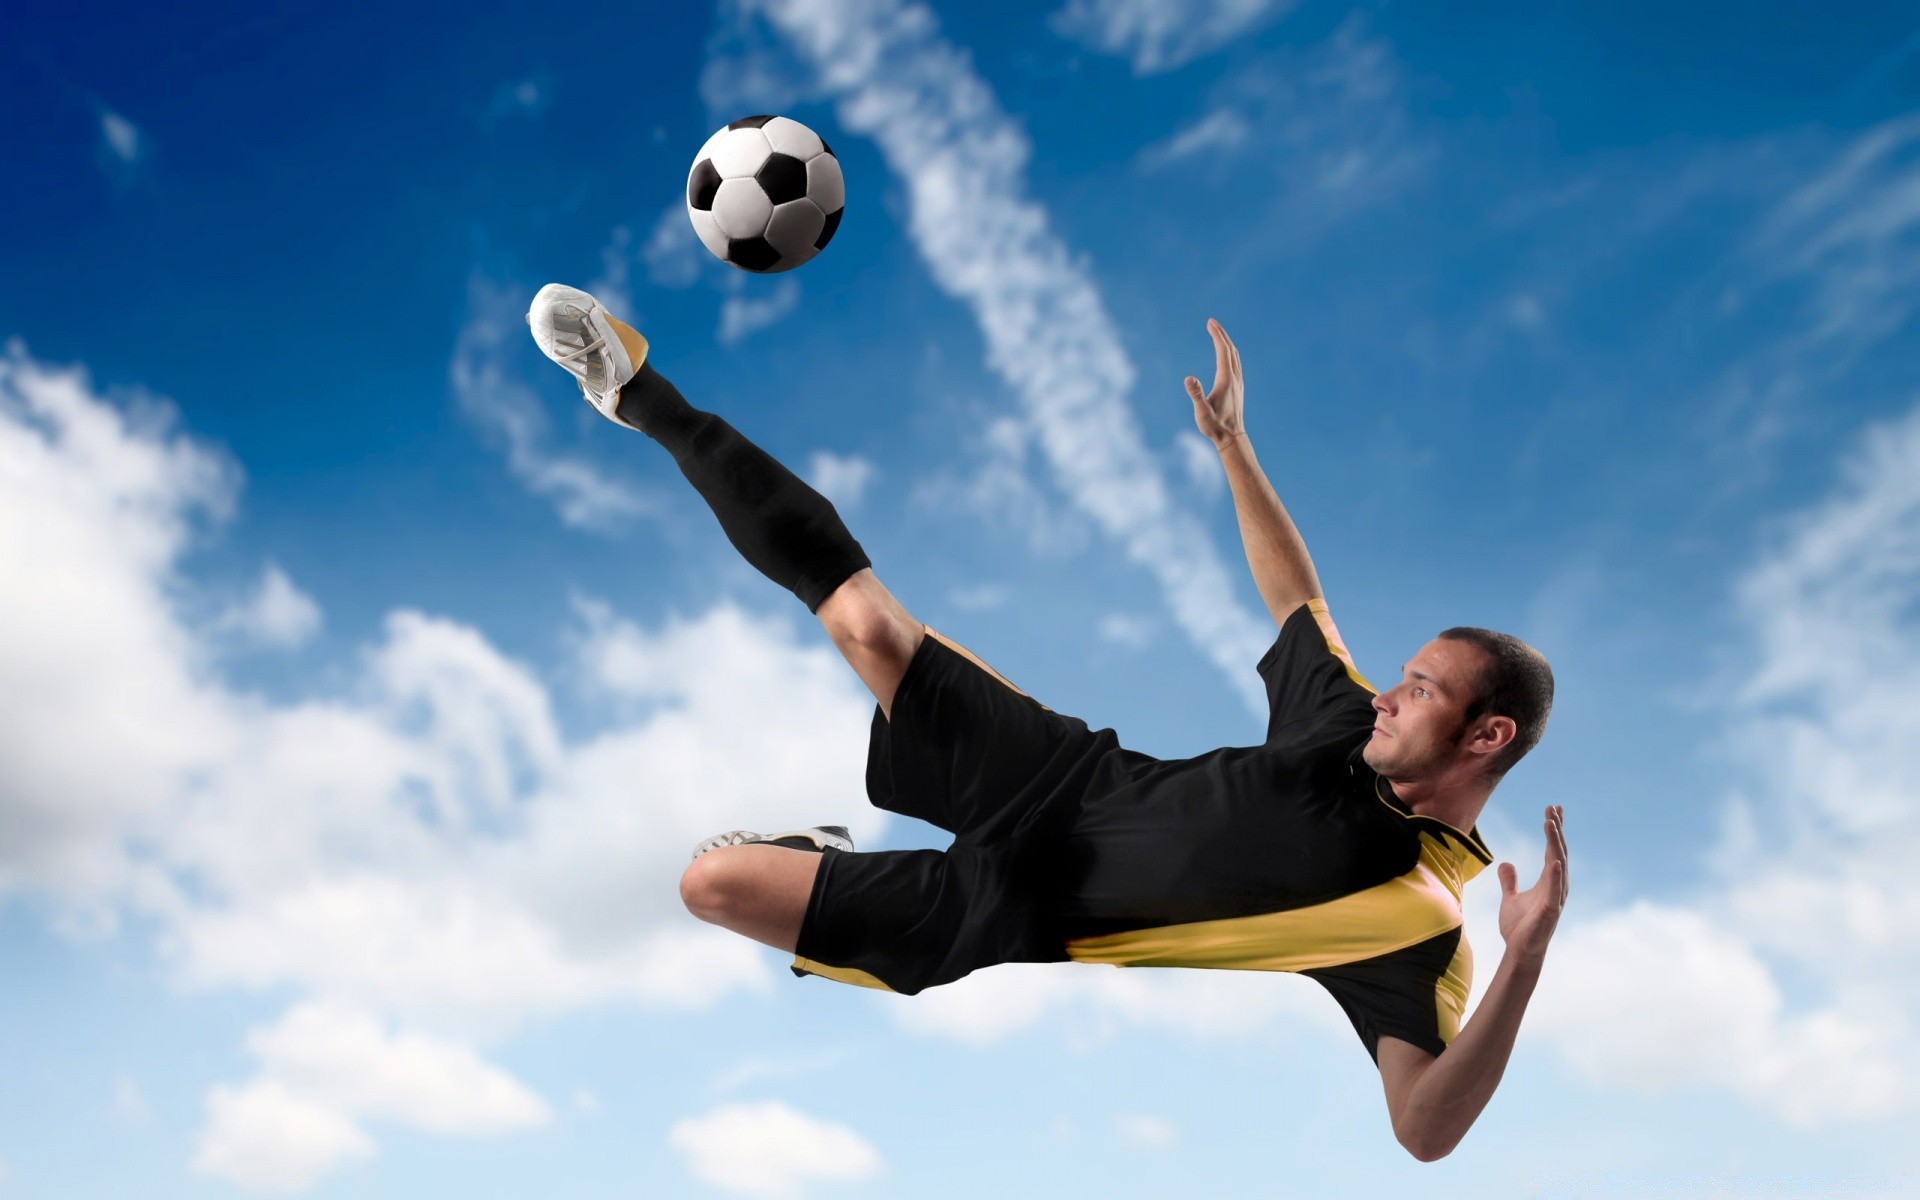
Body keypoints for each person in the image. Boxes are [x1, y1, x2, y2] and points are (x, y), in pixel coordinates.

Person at [526, 284, 1568, 1161]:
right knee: (867, 625)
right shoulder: (1346, 724)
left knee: (712, 885)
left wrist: (1520, 961)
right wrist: (1235, 448)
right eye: (1405, 676)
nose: (1390, 692)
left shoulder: (1417, 926)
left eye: (1425, 689)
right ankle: (641, 392)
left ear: (1488, 738)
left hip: (1008, 912)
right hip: (1061, 778)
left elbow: (1425, 1131)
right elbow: (1302, 601)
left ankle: (809, 853)